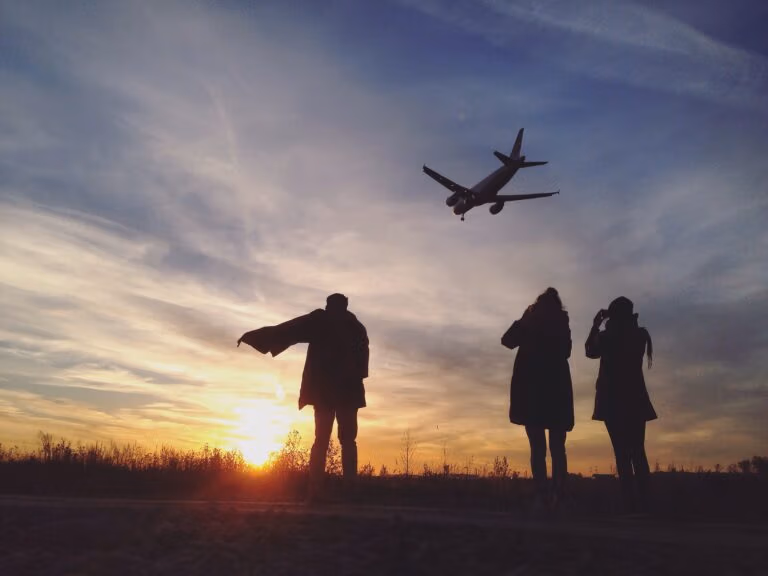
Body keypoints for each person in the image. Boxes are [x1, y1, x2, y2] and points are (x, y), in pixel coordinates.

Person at [238, 293, 369, 498]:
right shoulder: (356, 327)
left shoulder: (321, 321)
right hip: (346, 392)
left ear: (329, 306)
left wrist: (259, 337)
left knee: (323, 440)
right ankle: (347, 489)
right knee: (347, 440)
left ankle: (317, 490)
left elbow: (290, 329)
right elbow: (363, 367)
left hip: (327, 392)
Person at [501, 287, 573, 508]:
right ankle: (556, 494)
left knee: (539, 448)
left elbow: (507, 340)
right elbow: (566, 351)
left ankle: (543, 494)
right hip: (555, 392)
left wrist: (524, 320)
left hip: (533, 393)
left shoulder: (531, 324)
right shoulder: (561, 324)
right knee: (556, 447)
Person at [586, 296, 656, 514]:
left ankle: (630, 505)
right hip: (635, 399)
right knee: (638, 451)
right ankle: (645, 504)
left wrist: (596, 325)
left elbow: (590, 351)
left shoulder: (608, 336)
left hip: (612, 400)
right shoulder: (639, 335)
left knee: (622, 453)